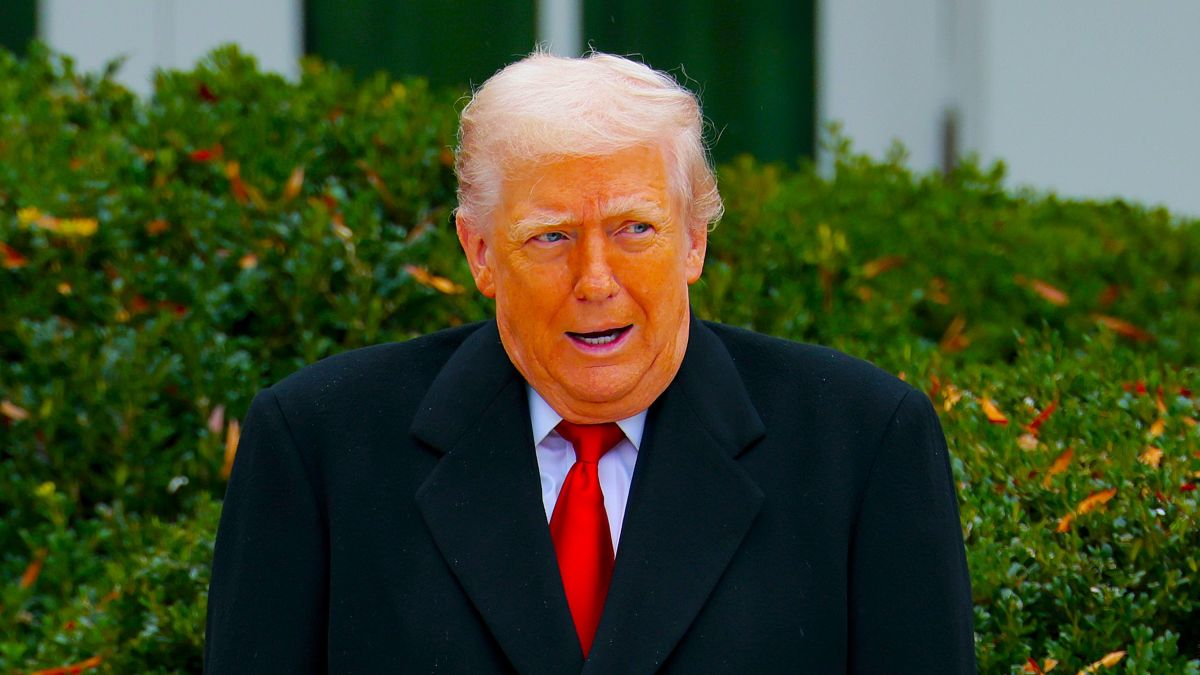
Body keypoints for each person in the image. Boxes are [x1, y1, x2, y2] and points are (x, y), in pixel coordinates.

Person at [204, 52, 976, 673]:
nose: (597, 280)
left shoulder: (864, 444)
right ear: (479, 252)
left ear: (695, 241)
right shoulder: (320, 445)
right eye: (551, 236)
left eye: (636, 228)